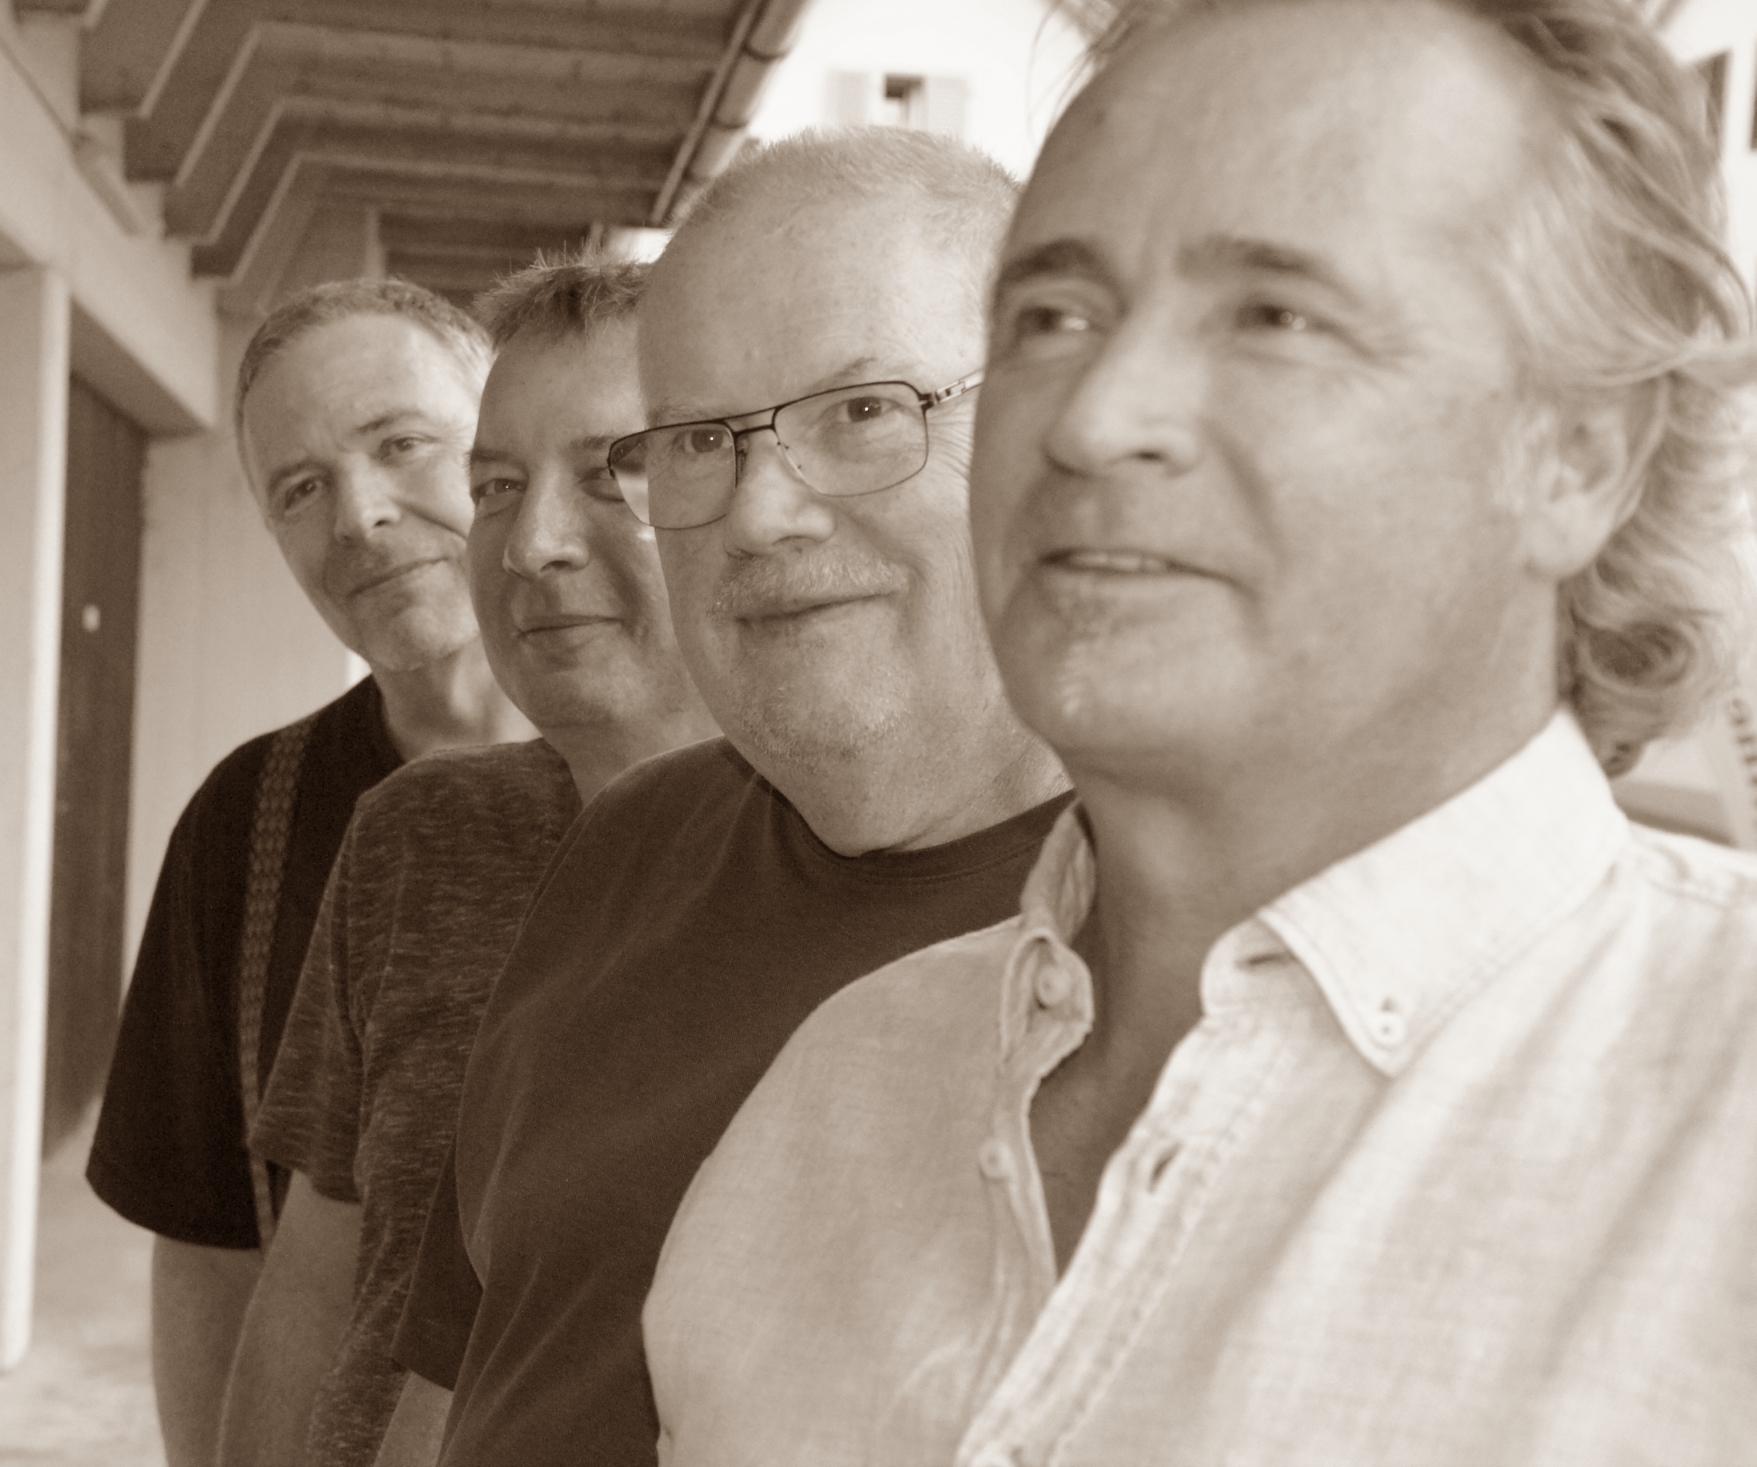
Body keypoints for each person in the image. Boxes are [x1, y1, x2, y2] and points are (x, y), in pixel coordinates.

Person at [644, 2, 1757, 1464]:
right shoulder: (831, 1102)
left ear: (1578, 456)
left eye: (1274, 315)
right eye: (1051, 316)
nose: (1095, 414)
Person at [375, 127, 1074, 1467]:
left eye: (861, 412)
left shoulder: (1184, 936)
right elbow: (467, 1368)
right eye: (699, 438)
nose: (760, 512)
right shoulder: (629, 846)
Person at [213, 255, 717, 1467]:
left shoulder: (862, 860)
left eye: (612, 471)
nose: (533, 541)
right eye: (496, 485)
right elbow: (319, 1281)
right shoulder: (413, 833)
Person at [86, 279, 532, 1467]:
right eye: (299, 488)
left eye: (402, 445)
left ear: (503, 447)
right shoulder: (247, 822)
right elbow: (207, 1239)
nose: (360, 516)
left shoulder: (689, 776)